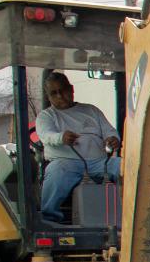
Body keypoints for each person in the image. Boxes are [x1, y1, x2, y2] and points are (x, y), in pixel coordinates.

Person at [36, 70, 122, 224]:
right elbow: (46, 135)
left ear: (71, 89)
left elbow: (109, 130)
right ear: (48, 97)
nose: (60, 96)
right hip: (67, 162)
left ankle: (131, 210)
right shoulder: (46, 116)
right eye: (54, 93)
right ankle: (50, 220)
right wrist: (61, 137)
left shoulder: (91, 110)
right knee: (57, 172)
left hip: (99, 162)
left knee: (123, 166)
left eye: (63, 91)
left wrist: (113, 138)